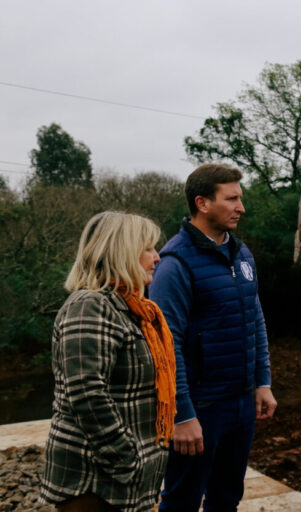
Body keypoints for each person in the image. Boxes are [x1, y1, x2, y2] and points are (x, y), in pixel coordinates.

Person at [150, 163, 277, 511]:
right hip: (201, 408)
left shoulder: (241, 253)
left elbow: (255, 318)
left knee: (227, 498)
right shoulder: (174, 264)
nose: (241, 207)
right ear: (202, 203)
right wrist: (181, 415)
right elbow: (165, 344)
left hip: (240, 403)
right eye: (232, 199)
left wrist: (261, 381)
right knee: (182, 500)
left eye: (241, 198)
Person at [41, 211, 176, 512]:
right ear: (122, 252)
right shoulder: (90, 305)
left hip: (123, 478)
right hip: (94, 480)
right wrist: (128, 460)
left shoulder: (132, 308)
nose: (157, 257)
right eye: (149, 249)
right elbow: (86, 393)